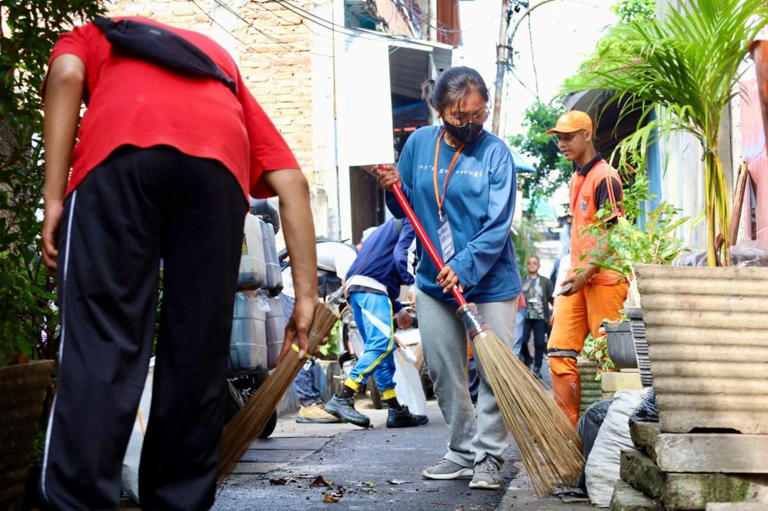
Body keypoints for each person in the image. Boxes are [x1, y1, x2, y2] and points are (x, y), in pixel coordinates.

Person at [39, 17, 317, 510]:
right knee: (197, 351)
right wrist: (307, 298)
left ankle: (80, 502)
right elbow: (291, 183)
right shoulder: (218, 64)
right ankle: (178, 503)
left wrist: (55, 197)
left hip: (118, 160)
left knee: (104, 342)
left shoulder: (93, 32)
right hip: (216, 173)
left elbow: (64, 77)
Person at [377, 66, 520, 490]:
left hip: (490, 278)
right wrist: (390, 187)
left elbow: (497, 224)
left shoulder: (496, 154)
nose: (472, 125)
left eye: (479, 115)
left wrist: (465, 263)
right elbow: (403, 208)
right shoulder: (419, 144)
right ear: (439, 110)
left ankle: (490, 457)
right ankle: (462, 450)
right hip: (432, 279)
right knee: (442, 367)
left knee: (495, 374)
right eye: (461, 117)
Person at [545, 110, 628, 426]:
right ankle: (567, 437)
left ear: (587, 134)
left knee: (610, 360)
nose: (562, 143)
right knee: (559, 352)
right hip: (578, 278)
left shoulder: (605, 177)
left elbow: (613, 231)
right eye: (560, 138)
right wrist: (576, 274)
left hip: (604, 279)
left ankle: (613, 433)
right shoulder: (577, 177)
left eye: (568, 136)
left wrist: (586, 273)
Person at [325, 217, 428, 429]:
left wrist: (398, 309)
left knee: (382, 352)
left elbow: (382, 267)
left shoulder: (386, 230)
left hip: (360, 288)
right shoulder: (413, 222)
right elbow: (403, 258)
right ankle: (343, 396)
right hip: (372, 289)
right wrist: (415, 287)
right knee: (382, 344)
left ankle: (395, 408)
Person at [281, 239, 358, 424]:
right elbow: (350, 292)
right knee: (301, 347)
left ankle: (315, 402)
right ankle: (308, 405)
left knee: (311, 348)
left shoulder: (346, 253)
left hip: (304, 291)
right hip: (293, 290)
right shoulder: (350, 256)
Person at [520, 255, 554, 378]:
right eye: (529, 263)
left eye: (535, 263)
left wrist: (553, 315)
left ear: (539, 266)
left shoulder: (545, 282)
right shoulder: (522, 281)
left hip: (540, 317)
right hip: (525, 316)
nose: (532, 265)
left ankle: (537, 368)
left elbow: (552, 299)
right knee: (522, 340)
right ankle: (528, 358)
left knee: (539, 343)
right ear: (527, 265)